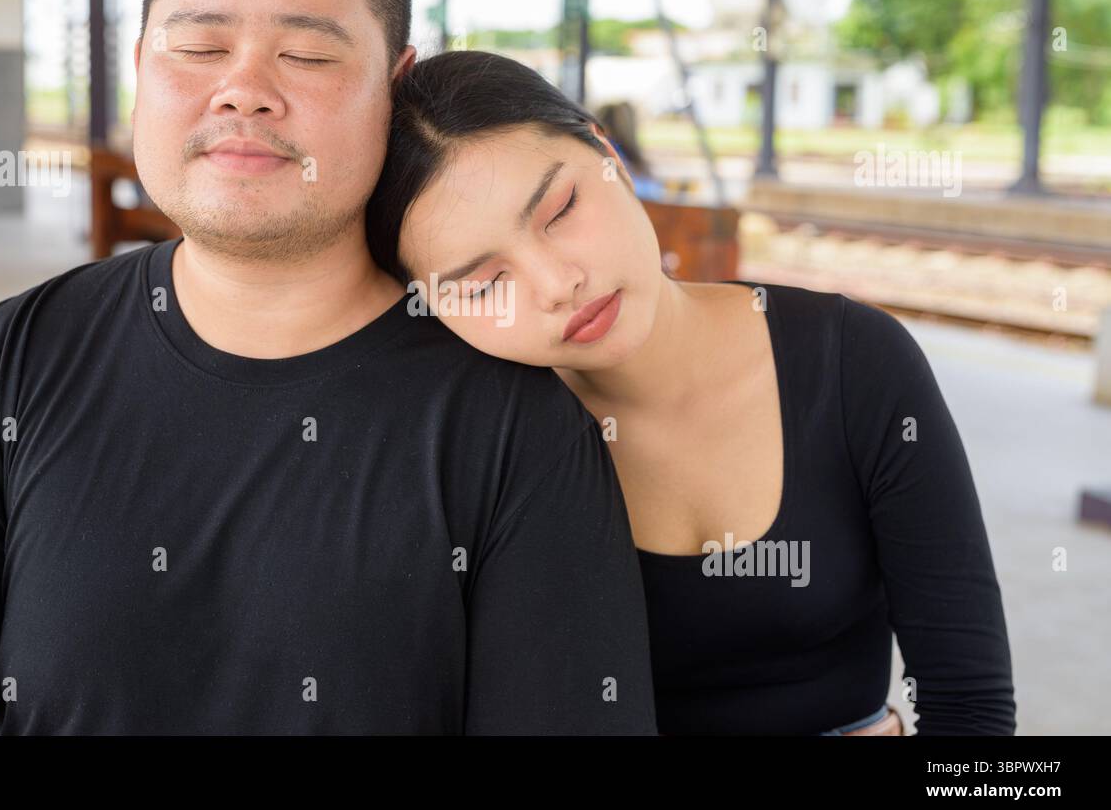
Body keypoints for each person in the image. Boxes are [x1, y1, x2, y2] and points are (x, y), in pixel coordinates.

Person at [0, 0, 656, 735]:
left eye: (307, 54)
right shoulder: (10, 363)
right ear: (142, 63)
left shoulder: (511, 424)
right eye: (198, 47)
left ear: (394, 87)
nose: (244, 90)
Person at [365, 50, 1018, 735]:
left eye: (558, 210)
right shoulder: (479, 449)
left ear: (606, 149)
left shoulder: (853, 361)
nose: (557, 282)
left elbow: (970, 705)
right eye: (482, 285)